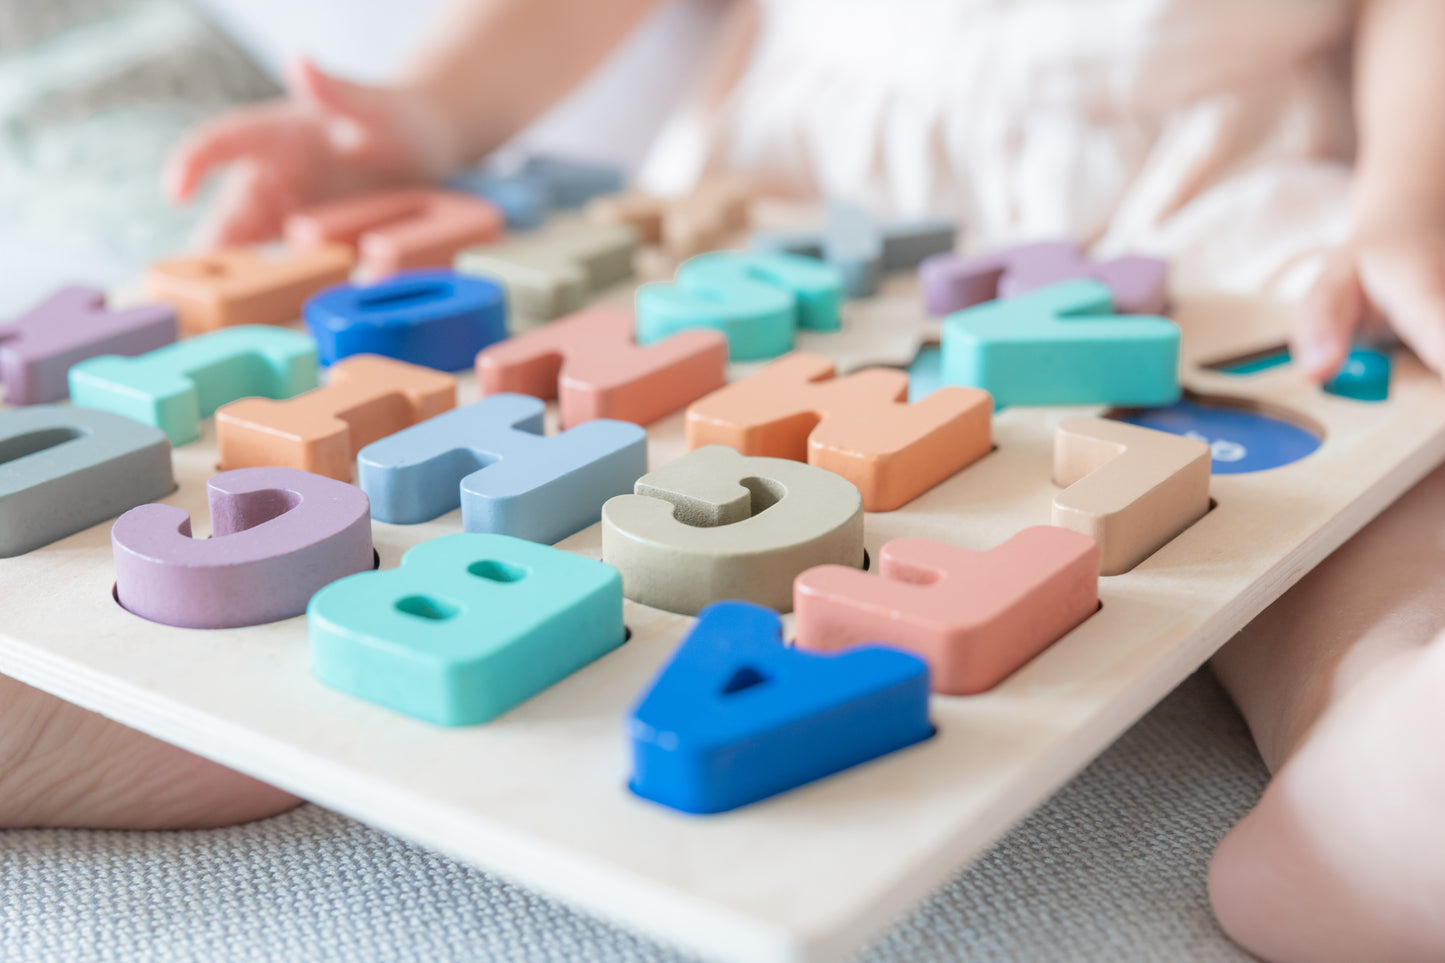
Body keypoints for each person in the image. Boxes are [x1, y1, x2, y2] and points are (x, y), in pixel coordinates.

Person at [5, 2, 1445, 960]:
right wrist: (429, 121)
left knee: (1333, 487)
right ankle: (197, 647)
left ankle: (1375, 731)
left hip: (1204, 208)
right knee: (599, 428)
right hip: (798, 202)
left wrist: (1410, 194)